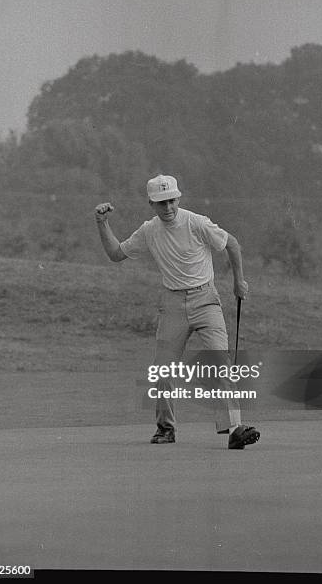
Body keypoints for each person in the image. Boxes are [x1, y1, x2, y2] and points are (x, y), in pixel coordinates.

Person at [95, 174, 260, 450]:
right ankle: (165, 428)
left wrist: (238, 281)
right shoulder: (149, 230)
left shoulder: (196, 222)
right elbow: (115, 254)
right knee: (162, 370)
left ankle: (233, 430)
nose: (168, 208)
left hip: (206, 299)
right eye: (161, 203)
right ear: (151, 204)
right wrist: (102, 223)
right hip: (172, 304)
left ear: (178, 198)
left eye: (171, 201)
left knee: (220, 362)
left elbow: (232, 243)